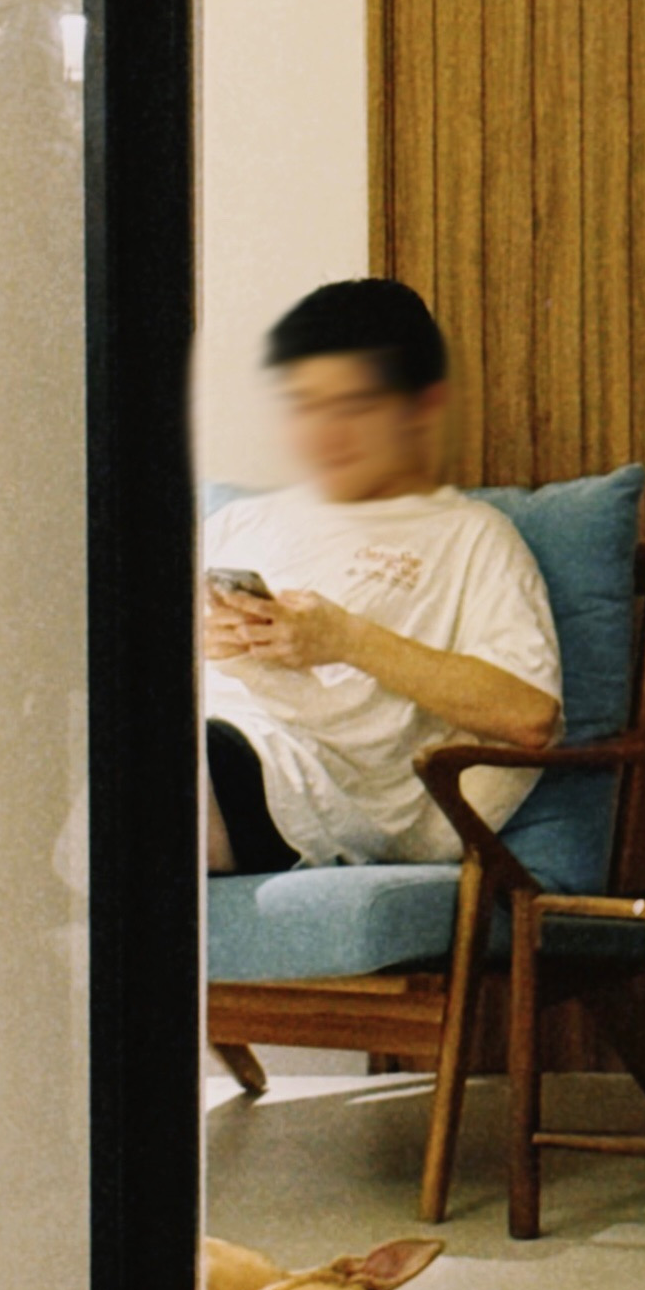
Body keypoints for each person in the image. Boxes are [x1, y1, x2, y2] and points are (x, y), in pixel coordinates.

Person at [199, 279, 560, 875]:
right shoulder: (238, 522)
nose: (327, 434)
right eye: (308, 405)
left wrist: (346, 639)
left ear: (422, 407)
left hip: (301, 788)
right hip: (202, 741)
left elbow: (530, 716)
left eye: (356, 407)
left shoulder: (471, 537)